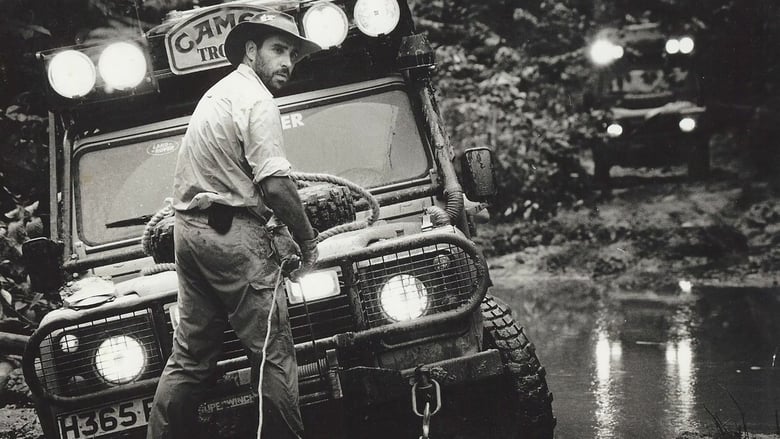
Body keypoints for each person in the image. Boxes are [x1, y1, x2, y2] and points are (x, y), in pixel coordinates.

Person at [147, 11, 322, 439]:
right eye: (278, 50)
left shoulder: (217, 95)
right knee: (272, 354)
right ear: (250, 51)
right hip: (231, 236)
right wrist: (307, 240)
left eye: (293, 55)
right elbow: (276, 186)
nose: (287, 62)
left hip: (189, 232)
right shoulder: (256, 99)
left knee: (189, 359)